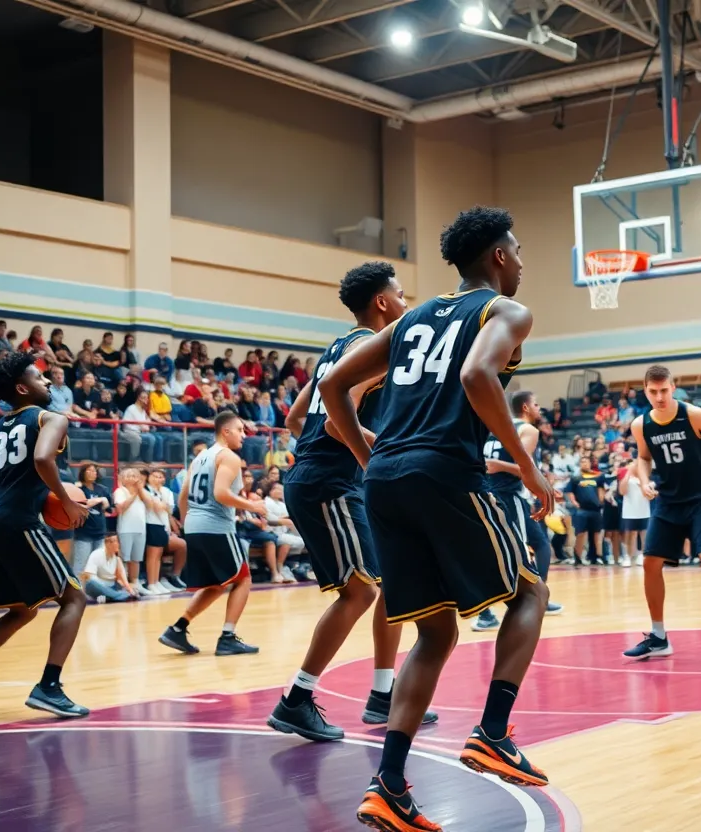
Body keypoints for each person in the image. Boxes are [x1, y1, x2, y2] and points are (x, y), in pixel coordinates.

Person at [318, 207, 554, 831]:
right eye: (519, 249)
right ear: (498, 257)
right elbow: (478, 374)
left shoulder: (412, 316)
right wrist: (526, 466)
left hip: (385, 483)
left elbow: (332, 387)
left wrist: (371, 457)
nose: (523, 260)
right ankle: (494, 733)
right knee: (530, 591)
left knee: (436, 632)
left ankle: (389, 785)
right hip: (444, 471)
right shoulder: (506, 312)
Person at [268, 261, 438, 743]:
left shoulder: (339, 347)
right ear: (383, 302)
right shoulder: (373, 349)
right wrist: (373, 460)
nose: (406, 303)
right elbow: (328, 424)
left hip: (322, 477)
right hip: (328, 484)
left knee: (388, 582)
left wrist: (323, 454)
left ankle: (383, 694)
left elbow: (296, 417)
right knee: (361, 590)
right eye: (401, 295)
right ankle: (296, 700)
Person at [0, 352, 91, 716]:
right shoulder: (52, 417)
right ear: (23, 388)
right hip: (16, 522)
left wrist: (44, 498)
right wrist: (66, 502)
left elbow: (5, 478)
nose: (49, 383)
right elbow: (42, 460)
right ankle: (49, 687)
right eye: (40, 378)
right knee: (74, 598)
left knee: (22, 610)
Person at [623, 365, 701, 661]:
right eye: (653, 392)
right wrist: (644, 479)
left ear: (673, 387)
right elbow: (643, 456)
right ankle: (659, 636)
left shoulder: (693, 415)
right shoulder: (641, 425)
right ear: (645, 391)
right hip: (667, 500)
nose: (660, 397)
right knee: (650, 562)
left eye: (664, 390)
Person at [159, 411, 265, 656]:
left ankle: (177, 628)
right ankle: (228, 637)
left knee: (216, 585)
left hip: (195, 526)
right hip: (216, 526)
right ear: (225, 432)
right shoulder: (228, 457)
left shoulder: (200, 458)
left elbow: (183, 497)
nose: (244, 435)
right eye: (239, 430)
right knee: (243, 579)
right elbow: (220, 494)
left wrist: (188, 525)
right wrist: (252, 506)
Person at [476, 390, 564, 632]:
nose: (539, 409)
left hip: (488, 494)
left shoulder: (493, 427)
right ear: (525, 408)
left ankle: (538, 597)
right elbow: (523, 467)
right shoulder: (529, 430)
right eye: (536, 404)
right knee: (522, 551)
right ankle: (508, 606)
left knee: (538, 541)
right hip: (508, 496)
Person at [564, 455, 606, 567]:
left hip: (596, 510)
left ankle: (598, 557)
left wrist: (601, 501)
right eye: (582, 462)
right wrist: (574, 502)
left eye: (586, 462)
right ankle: (578, 557)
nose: (585, 464)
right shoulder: (576, 478)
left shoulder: (598, 476)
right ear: (580, 464)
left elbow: (601, 489)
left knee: (597, 534)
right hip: (582, 510)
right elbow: (569, 491)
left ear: (590, 463)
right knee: (580, 534)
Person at [80, 534, 138, 603]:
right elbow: (88, 576)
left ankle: (109, 597)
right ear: (107, 544)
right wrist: (103, 586)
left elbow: (123, 580)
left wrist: (130, 589)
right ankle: (119, 596)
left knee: (133, 588)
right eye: (114, 541)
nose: (117, 544)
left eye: (117, 541)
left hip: (111, 586)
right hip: (97, 585)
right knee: (91, 582)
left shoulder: (117, 559)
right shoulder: (96, 554)